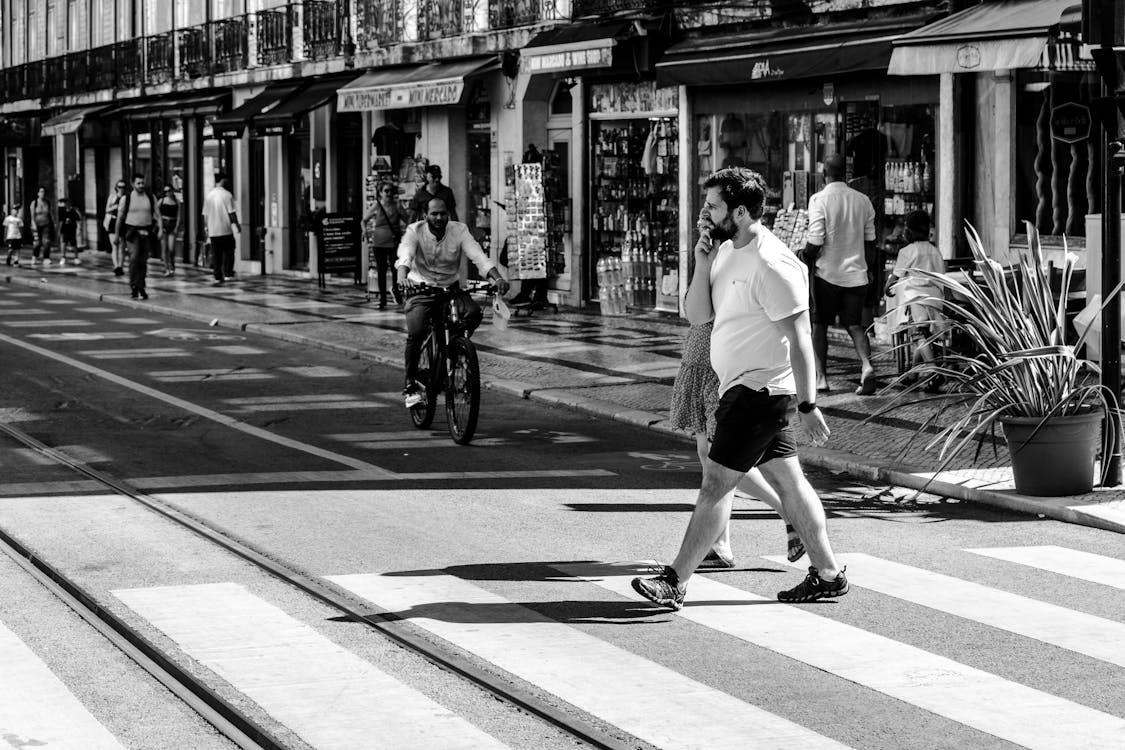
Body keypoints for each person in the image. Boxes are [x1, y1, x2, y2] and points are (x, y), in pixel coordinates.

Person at [631, 167, 847, 610]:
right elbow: (696, 316)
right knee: (790, 483)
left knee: (715, 482)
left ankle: (675, 580)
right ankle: (828, 574)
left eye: (712, 205)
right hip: (742, 387)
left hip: (760, 391)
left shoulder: (773, 263)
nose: (705, 213)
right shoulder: (726, 250)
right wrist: (702, 261)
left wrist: (808, 404)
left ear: (741, 211)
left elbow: (801, 339)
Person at [670, 208, 806, 568]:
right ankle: (723, 543)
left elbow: (722, 312)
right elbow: (694, 309)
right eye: (699, 221)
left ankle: (788, 518)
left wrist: (809, 403)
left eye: (708, 217)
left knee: (721, 463)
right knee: (711, 457)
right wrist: (703, 262)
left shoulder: (741, 257)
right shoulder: (714, 255)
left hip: (724, 370)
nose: (703, 225)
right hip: (703, 360)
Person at [396, 197, 509, 408]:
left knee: (473, 313)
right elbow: (405, 255)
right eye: (434, 214)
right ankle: (410, 383)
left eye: (443, 213)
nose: (439, 218)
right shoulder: (415, 230)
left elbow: (478, 256)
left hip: (450, 288)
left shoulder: (459, 230)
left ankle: (454, 349)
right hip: (421, 288)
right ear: (425, 215)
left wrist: (497, 278)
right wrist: (403, 279)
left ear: (448, 214)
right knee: (417, 330)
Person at [802, 153, 878, 395]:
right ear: (845, 173)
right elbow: (870, 242)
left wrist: (803, 256)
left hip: (826, 275)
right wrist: (867, 268)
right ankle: (866, 367)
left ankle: (822, 378)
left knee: (819, 325)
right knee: (855, 325)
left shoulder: (819, 200)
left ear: (825, 173)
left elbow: (815, 240)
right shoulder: (863, 200)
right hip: (856, 275)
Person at [885, 209, 946, 387]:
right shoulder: (936, 251)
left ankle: (934, 371)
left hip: (916, 301)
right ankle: (912, 373)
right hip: (935, 300)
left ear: (909, 231)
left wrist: (888, 286)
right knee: (924, 336)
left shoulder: (907, 251)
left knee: (918, 336)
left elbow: (895, 276)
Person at [115, 173, 158, 300]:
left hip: (146, 231)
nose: (141, 185)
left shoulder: (150, 197)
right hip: (132, 232)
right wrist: (117, 235)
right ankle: (134, 285)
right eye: (138, 183)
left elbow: (157, 213)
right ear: (133, 184)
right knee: (134, 258)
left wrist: (160, 228)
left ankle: (141, 285)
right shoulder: (126, 199)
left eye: (142, 183)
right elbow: (120, 218)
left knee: (143, 261)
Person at [363, 181, 404, 309]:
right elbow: (363, 220)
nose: (389, 193)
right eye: (386, 191)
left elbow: (408, 218)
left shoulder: (397, 206)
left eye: (391, 191)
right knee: (381, 270)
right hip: (379, 242)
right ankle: (383, 298)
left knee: (395, 268)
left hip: (393, 241)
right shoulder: (377, 206)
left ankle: (396, 291)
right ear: (380, 193)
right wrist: (365, 232)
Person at [202, 172, 240, 285]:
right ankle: (228, 273)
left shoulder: (209, 195)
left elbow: (206, 214)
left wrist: (207, 228)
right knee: (229, 251)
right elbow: (232, 213)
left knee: (216, 254)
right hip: (225, 229)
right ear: (222, 181)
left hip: (213, 230)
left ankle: (217, 276)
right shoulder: (227, 195)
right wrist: (237, 225)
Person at [105, 179, 127, 276]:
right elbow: (107, 209)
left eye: (123, 187)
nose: (121, 189)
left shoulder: (126, 198)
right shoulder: (112, 197)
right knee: (115, 245)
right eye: (119, 187)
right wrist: (115, 207)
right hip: (113, 221)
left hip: (123, 222)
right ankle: (116, 266)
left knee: (122, 246)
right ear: (116, 188)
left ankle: (120, 266)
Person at [158, 186, 181, 277]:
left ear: (172, 191)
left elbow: (179, 216)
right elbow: (156, 213)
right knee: (164, 248)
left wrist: (176, 227)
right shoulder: (162, 201)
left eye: (169, 191)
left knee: (171, 248)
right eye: (166, 191)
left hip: (172, 224)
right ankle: (166, 268)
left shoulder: (177, 202)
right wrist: (159, 225)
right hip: (164, 223)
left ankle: (172, 264)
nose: (168, 192)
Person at [29, 187, 53, 265]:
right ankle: (35, 256)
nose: (42, 193)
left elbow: (50, 213)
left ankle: (46, 257)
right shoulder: (34, 203)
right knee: (37, 242)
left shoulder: (47, 202)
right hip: (37, 224)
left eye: (43, 192)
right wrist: (33, 225)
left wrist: (54, 223)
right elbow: (32, 215)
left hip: (46, 223)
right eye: (41, 192)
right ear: (38, 193)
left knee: (46, 241)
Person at [57, 198, 82, 265]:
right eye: (66, 203)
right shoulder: (62, 211)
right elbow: (61, 221)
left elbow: (78, 219)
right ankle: (63, 257)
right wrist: (59, 231)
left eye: (68, 203)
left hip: (72, 229)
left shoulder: (73, 211)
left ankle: (76, 257)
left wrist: (79, 229)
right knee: (64, 243)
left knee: (74, 243)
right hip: (65, 229)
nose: (67, 205)